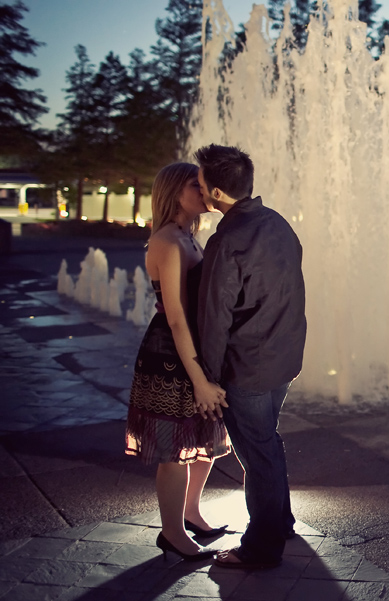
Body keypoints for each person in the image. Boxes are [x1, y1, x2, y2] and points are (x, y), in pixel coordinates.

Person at [194, 144, 307, 570]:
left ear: (217, 193)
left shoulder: (227, 241)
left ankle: (261, 547)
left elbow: (214, 319)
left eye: (202, 184)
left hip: (249, 367)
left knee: (257, 453)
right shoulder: (277, 223)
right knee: (267, 442)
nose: (199, 189)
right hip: (283, 358)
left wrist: (206, 379)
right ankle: (280, 521)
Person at [125, 162, 231, 562]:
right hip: (171, 355)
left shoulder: (187, 236)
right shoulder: (167, 241)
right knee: (174, 452)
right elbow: (174, 316)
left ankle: (190, 514)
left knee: (203, 446)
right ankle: (171, 533)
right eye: (196, 185)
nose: (205, 192)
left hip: (193, 350)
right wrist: (199, 379)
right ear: (175, 191)